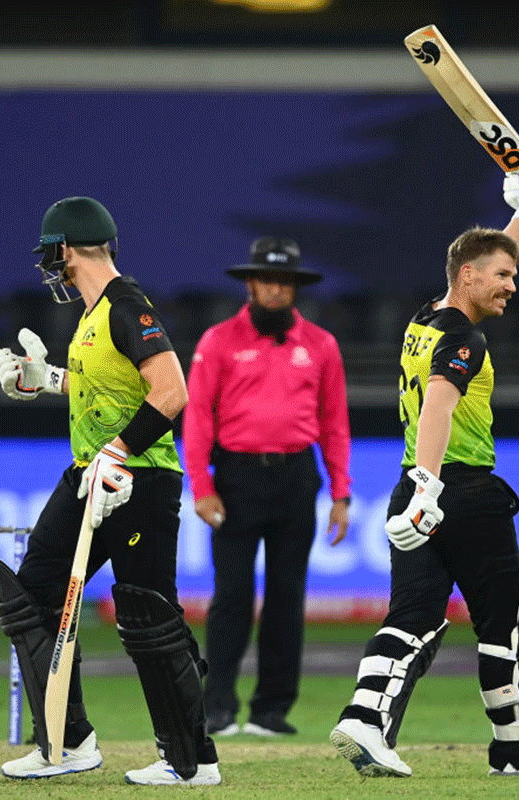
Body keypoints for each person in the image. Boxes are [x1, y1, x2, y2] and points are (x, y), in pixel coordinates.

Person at [329, 157, 519, 779]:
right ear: (467, 276)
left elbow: (485, 261)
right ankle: (517, 755)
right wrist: (432, 487)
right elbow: (439, 402)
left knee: (413, 617)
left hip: (413, 487)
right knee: (507, 627)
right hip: (458, 491)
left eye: (514, 274)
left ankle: (365, 721)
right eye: (504, 277)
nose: (514, 285)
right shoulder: (466, 342)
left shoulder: (425, 318)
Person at [0, 196, 221, 786]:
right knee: (31, 596)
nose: (50, 269)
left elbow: (171, 391)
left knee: (149, 615)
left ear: (67, 249)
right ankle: (66, 742)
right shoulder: (91, 316)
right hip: (90, 474)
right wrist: (45, 381)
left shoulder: (126, 306)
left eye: (51, 257)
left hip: (140, 480)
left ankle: (191, 763)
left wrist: (119, 452)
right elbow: (103, 391)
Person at [183, 237, 352, 738]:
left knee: (286, 596)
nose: (277, 289)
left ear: (295, 287)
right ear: (251, 284)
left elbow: (334, 423)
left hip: (297, 478)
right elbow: (198, 418)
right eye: (268, 280)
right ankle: (217, 708)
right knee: (231, 597)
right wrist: (201, 485)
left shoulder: (321, 345)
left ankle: (271, 710)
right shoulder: (217, 341)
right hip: (236, 479)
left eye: (286, 281)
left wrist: (341, 495)